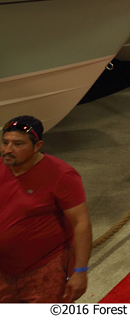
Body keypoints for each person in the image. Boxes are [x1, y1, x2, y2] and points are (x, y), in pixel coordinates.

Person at [0, 116, 91, 303]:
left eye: (17, 144)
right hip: (4, 271)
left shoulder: (62, 175)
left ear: (37, 145)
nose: (8, 150)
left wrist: (80, 271)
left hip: (46, 270)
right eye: (4, 142)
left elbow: (81, 223)